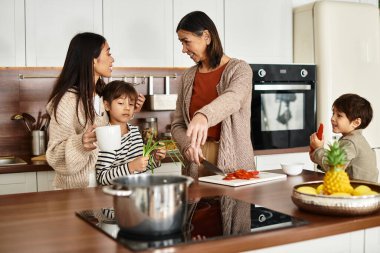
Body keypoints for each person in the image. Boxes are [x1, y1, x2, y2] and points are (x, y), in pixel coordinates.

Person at [46, 32, 145, 189]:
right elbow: (54, 155)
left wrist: (130, 112)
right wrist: (80, 143)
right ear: (92, 59)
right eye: (108, 53)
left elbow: (108, 132)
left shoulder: (102, 95)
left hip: (101, 189)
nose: (113, 59)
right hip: (75, 192)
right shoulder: (68, 101)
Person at [171, 11, 255, 179]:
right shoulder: (188, 77)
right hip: (196, 161)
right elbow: (177, 124)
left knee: (233, 204)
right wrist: (188, 145)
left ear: (207, 37)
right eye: (181, 43)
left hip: (235, 162)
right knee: (199, 205)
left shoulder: (240, 69)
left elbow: (234, 98)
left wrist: (204, 115)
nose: (183, 49)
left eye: (186, 42)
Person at [96, 80, 166, 186]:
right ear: (107, 105)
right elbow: (102, 177)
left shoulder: (134, 132)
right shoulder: (106, 136)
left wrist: (155, 159)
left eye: (131, 104)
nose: (127, 108)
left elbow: (140, 166)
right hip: (115, 197)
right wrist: (131, 167)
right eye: (120, 103)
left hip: (137, 192)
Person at [310, 93, 378, 182]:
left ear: (356, 122)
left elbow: (335, 169)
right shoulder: (356, 139)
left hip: (358, 192)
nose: (332, 118)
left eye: (339, 115)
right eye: (333, 113)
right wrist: (316, 157)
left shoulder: (350, 142)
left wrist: (318, 149)